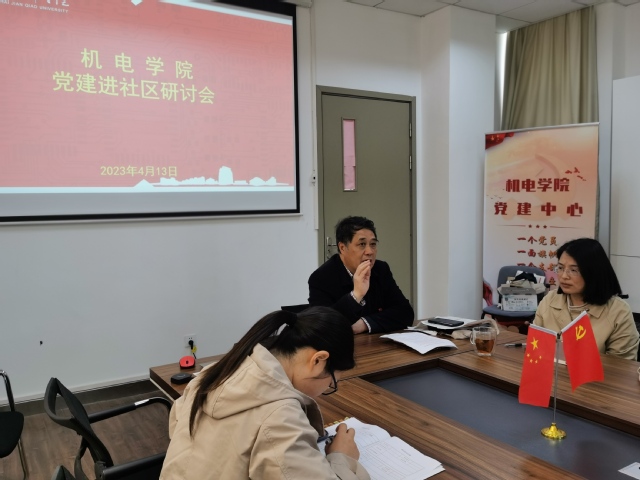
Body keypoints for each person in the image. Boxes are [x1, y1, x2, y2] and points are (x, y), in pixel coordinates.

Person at [160, 307, 370, 480]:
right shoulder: (279, 418)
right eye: (331, 382)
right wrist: (342, 457)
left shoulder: (216, 371)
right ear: (317, 360)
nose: (327, 388)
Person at [534, 238, 639, 360]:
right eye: (561, 268)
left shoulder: (618, 311)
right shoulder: (549, 300)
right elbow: (536, 348)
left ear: (593, 272)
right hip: (552, 371)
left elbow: (621, 367)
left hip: (600, 373)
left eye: (574, 270)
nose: (564, 276)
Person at [308, 216, 414, 334]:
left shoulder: (381, 269)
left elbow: (406, 312)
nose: (370, 251)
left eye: (373, 244)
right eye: (362, 244)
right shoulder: (321, 278)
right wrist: (356, 295)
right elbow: (323, 327)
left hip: (375, 342)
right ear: (342, 248)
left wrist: (365, 323)